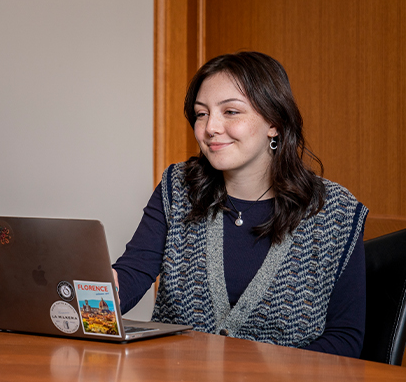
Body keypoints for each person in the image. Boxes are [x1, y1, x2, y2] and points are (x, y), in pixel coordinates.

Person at [112, 51, 367, 357]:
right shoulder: (179, 187)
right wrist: (83, 301)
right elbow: (131, 275)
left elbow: (345, 339)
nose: (210, 128)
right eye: (201, 113)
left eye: (230, 112)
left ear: (274, 122)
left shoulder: (334, 212)